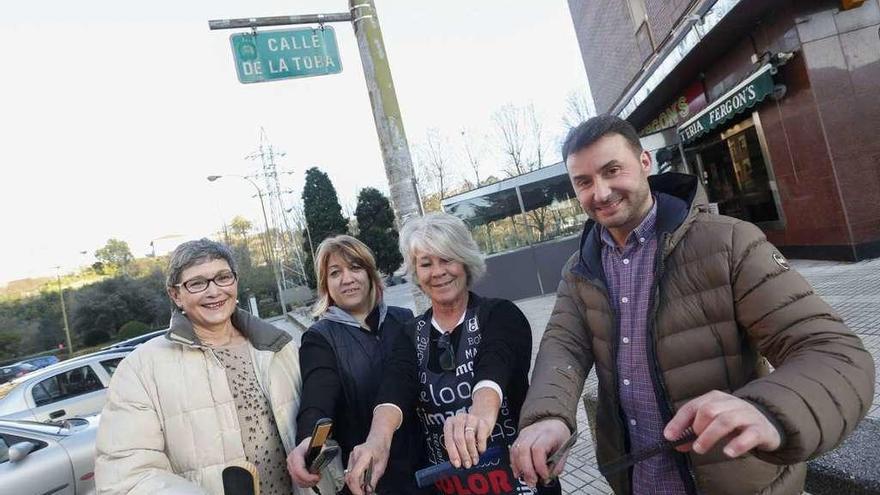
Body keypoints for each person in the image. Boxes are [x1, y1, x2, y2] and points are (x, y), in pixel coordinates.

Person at [511, 115, 876, 494]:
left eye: (612, 170)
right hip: (636, 480)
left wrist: (767, 409)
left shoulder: (728, 243)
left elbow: (835, 353)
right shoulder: (580, 269)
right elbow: (563, 346)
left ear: (645, 162)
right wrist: (548, 416)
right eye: (584, 182)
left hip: (736, 482)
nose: (600, 192)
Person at [344, 213, 561, 495]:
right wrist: (377, 441)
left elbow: (494, 367)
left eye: (447, 259)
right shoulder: (410, 333)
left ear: (465, 261)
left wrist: (480, 417)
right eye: (426, 264)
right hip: (449, 483)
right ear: (416, 273)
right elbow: (394, 391)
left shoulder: (499, 314)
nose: (437, 272)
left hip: (521, 478)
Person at [95, 238, 330, 495]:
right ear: (176, 295)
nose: (214, 291)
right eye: (197, 283)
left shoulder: (279, 348)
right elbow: (126, 477)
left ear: (235, 282)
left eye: (223, 277)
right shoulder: (140, 369)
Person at [286, 235, 424, 494]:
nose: (347, 279)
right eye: (335, 273)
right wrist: (308, 439)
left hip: (425, 471)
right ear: (325, 285)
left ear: (371, 273)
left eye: (356, 268)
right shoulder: (320, 338)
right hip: (369, 480)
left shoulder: (404, 320)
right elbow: (318, 396)